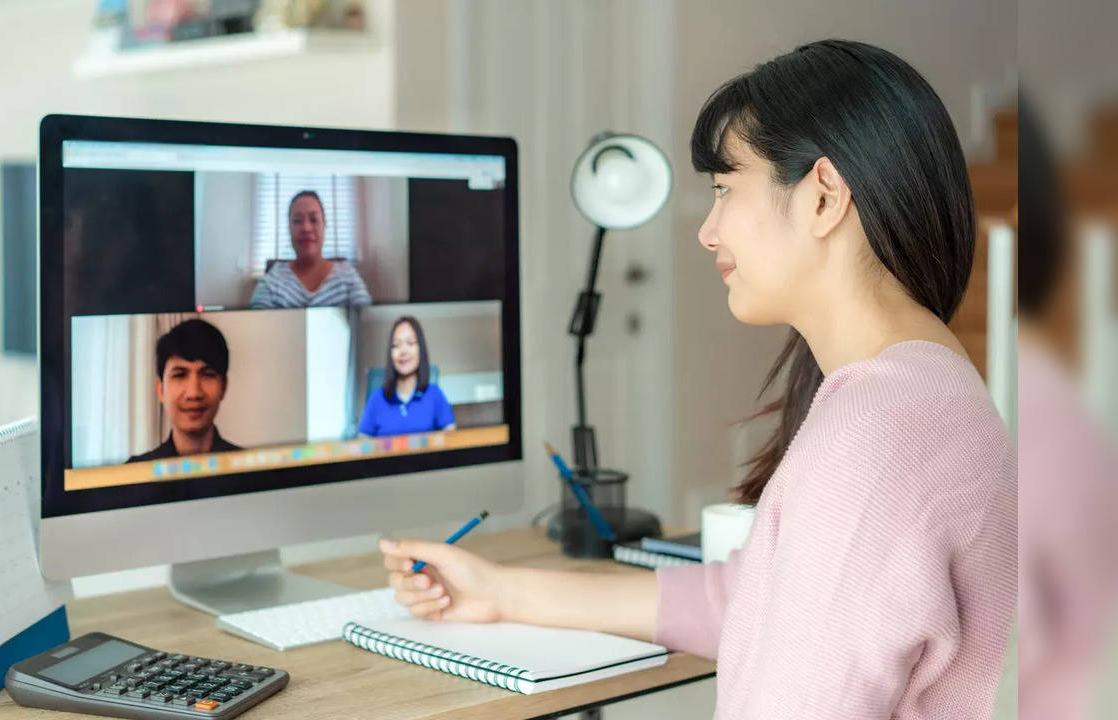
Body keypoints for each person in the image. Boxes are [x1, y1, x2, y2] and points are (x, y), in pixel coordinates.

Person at [379, 40, 1015, 718]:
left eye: (723, 190)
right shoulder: (930, 392)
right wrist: (502, 592)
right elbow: (752, 600)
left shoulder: (873, 439)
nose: (708, 231)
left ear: (823, 197)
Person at [128, 318, 241, 462]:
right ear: (161, 389)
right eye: (180, 375)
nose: (194, 393)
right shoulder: (136, 472)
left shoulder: (250, 469)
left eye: (207, 374)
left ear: (223, 387)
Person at [248, 190, 373, 309]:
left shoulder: (347, 276)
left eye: (314, 220)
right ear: (289, 228)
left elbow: (366, 321)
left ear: (324, 226)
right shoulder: (273, 281)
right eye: (297, 221)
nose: (306, 228)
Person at [358, 316, 456, 437]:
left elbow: (452, 441)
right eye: (396, 345)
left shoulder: (435, 395)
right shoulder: (376, 399)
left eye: (410, 343)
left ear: (421, 350)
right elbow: (362, 445)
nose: (403, 351)